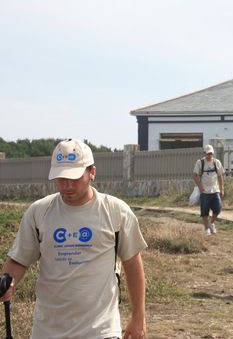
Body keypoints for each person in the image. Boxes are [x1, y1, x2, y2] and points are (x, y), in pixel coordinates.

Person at [0, 138, 147, 339]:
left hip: (101, 330)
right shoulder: (39, 212)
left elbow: (132, 263)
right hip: (48, 331)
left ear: (92, 172)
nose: (67, 185)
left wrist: (139, 317)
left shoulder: (115, 211)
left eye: (75, 177)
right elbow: (19, 260)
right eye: (61, 178)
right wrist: (7, 283)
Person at [192, 144, 225, 235]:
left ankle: (212, 223)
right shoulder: (200, 163)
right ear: (204, 153)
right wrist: (200, 186)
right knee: (204, 211)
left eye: (211, 153)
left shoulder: (217, 162)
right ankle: (206, 228)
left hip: (215, 190)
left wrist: (222, 189)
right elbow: (195, 175)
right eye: (208, 153)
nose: (209, 155)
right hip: (205, 192)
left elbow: (220, 176)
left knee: (218, 208)